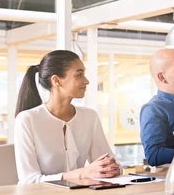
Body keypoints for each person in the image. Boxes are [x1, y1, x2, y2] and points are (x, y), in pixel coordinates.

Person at [14, 50, 120, 184]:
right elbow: (29, 180)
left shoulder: (89, 117)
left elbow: (109, 162)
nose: (86, 81)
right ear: (56, 80)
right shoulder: (27, 119)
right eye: (79, 75)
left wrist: (112, 168)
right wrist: (82, 173)